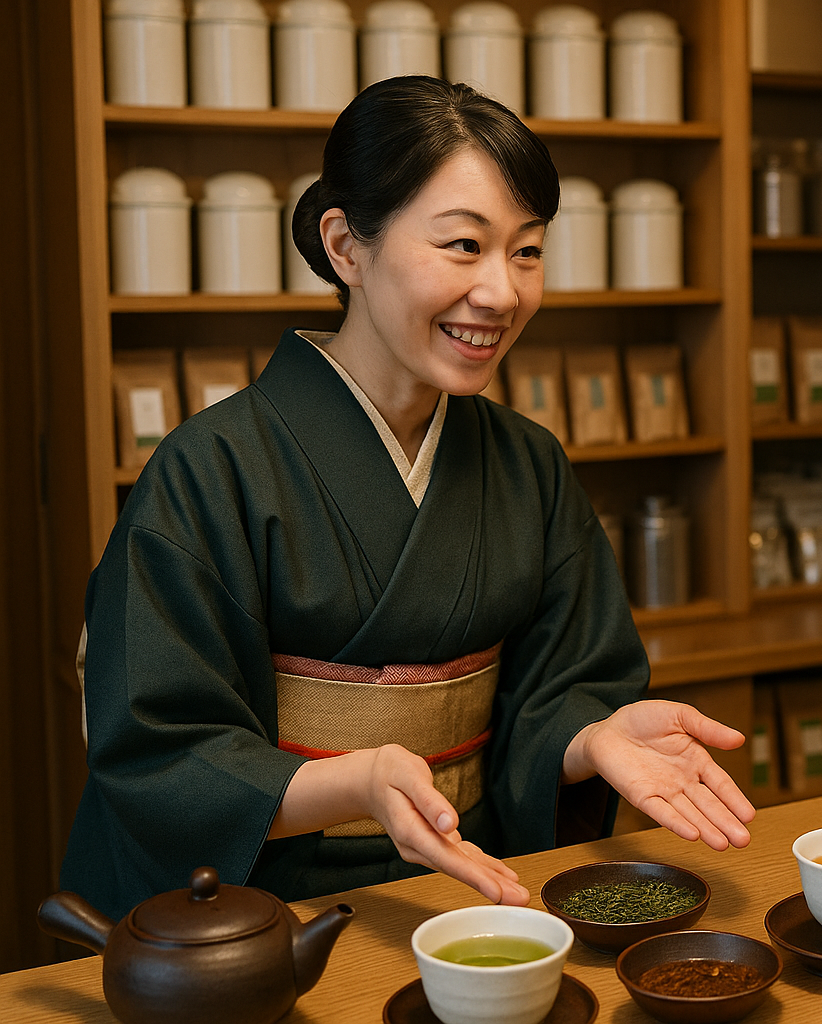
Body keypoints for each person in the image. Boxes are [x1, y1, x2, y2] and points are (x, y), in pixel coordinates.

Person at [62, 77, 754, 920]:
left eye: (526, 250)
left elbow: (568, 678)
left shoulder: (529, 463)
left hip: (477, 885)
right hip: (270, 906)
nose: (501, 291)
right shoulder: (209, 469)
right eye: (464, 245)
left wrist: (586, 737)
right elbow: (155, 750)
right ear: (347, 247)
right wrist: (355, 780)